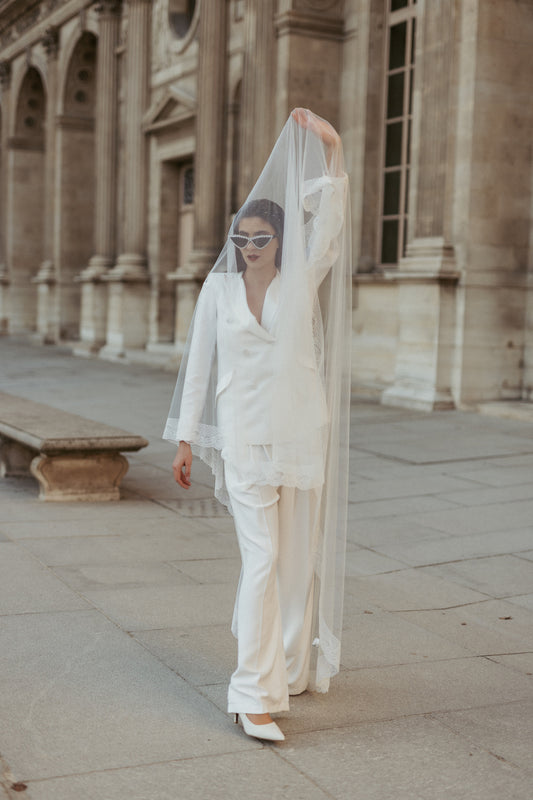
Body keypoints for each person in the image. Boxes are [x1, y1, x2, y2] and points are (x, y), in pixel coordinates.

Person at [164, 108, 351, 742]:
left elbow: (329, 222)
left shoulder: (303, 279)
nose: (248, 248)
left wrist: (332, 147)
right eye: (240, 239)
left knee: (294, 561)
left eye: (259, 238)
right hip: (243, 439)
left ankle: (285, 666)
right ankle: (249, 695)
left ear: (278, 241)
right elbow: (197, 368)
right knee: (264, 558)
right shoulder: (215, 293)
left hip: (298, 436)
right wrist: (186, 437)